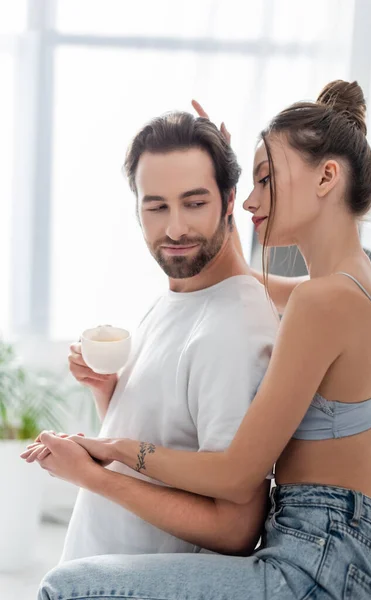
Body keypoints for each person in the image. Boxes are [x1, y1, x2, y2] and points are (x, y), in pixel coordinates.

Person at [34, 79, 371, 599]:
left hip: (320, 564)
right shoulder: (354, 289)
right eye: (244, 188)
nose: (251, 201)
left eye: (267, 180)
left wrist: (109, 452)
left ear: (327, 177)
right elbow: (241, 278)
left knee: (66, 589)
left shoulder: (324, 303)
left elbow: (236, 475)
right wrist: (214, 198)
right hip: (346, 552)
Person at [22, 111, 302, 562]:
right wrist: (107, 390)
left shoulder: (233, 328)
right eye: (156, 207)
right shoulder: (178, 296)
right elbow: (165, 442)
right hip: (98, 577)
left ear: (230, 200)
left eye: (194, 204)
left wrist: (91, 477)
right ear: (137, 209)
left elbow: (234, 528)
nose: (174, 229)